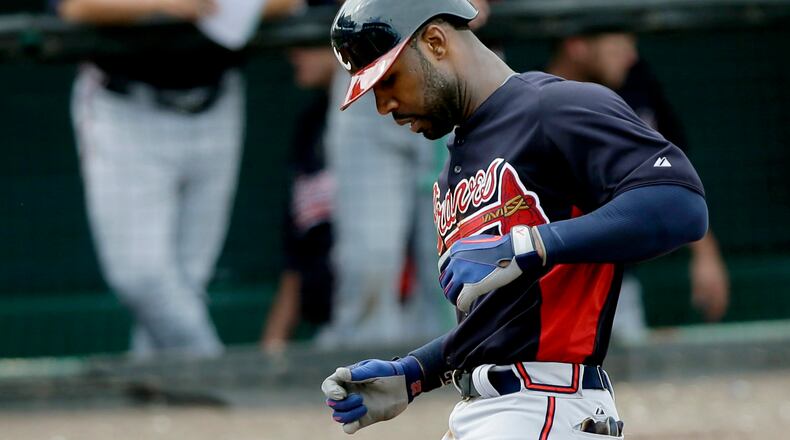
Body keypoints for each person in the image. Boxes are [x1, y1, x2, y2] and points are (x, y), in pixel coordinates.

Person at [320, 0, 708, 438]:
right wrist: (415, 372)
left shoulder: (554, 107)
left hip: (547, 406)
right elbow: (503, 320)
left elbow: (681, 204)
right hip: (488, 412)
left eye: (388, 79)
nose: (383, 104)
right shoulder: (454, 168)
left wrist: (527, 244)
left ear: (434, 41)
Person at [54, 0, 302, 357]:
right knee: (140, 277)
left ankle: (158, 394)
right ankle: (216, 373)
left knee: (187, 282)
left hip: (215, 98)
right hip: (125, 105)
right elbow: (74, 7)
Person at [314, 0, 491, 350]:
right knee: (369, 260)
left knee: (459, 258)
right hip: (374, 52)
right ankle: (369, 384)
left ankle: (459, 372)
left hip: (454, 64)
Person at [545, 32, 729, 342]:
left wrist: (705, 254)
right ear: (576, 44)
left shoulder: (635, 88)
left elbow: (671, 177)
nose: (631, 56)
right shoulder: (526, 100)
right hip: (541, 281)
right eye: (619, 45)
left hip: (614, 280)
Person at [260, 40, 337, 353]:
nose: (293, 52)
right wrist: (273, 347)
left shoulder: (399, 119)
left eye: (308, 43)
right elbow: (298, 258)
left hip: (406, 323)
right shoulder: (310, 126)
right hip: (330, 329)